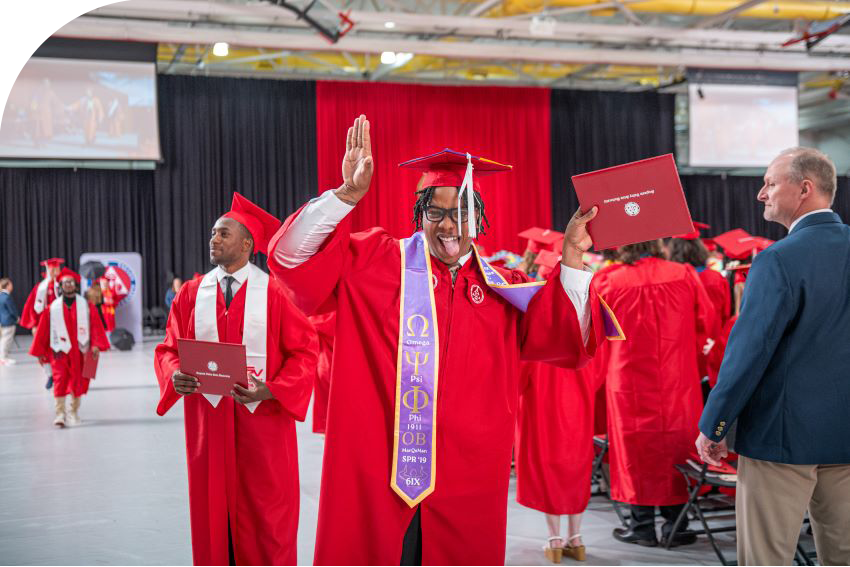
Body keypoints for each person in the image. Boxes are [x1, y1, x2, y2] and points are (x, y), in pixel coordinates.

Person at [268, 115, 616, 565]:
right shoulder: (373, 262)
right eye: (436, 211)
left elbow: (565, 336)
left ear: (480, 217)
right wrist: (345, 196)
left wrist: (570, 255)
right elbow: (290, 260)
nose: (449, 226)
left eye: (462, 212)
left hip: (467, 477)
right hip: (376, 471)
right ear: (420, 214)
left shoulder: (504, 289)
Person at [696, 147, 850, 566]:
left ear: (804, 189)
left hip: (781, 438)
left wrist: (715, 424)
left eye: (769, 183)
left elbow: (748, 354)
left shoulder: (778, 260)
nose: (761, 193)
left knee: (766, 558)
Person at [153, 193, 318, 566]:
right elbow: (168, 349)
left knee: (267, 521)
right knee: (214, 519)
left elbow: (305, 354)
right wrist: (173, 374)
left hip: (262, 431)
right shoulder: (192, 295)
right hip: (209, 428)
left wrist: (272, 388)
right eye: (213, 233)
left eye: (223, 233)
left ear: (247, 244)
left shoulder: (276, 293)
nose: (214, 239)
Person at [592, 240, 715, 547]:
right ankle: (678, 524)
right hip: (677, 380)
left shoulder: (607, 281)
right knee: (676, 446)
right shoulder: (684, 273)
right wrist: (689, 360)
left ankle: (642, 525)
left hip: (627, 382)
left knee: (635, 449)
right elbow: (706, 325)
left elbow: (592, 334)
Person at [513, 250, 601, 563]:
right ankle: (576, 537)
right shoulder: (591, 317)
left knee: (547, 465)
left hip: (541, 407)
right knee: (576, 465)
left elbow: (520, 374)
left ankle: (553, 539)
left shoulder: (535, 319)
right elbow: (600, 369)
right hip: (578, 406)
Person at [29, 268, 109, 427]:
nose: (69, 285)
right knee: (59, 380)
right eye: (65, 283)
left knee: (77, 381)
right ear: (61, 286)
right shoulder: (52, 308)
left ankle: (73, 412)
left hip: (80, 351)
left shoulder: (86, 306)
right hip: (59, 351)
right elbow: (44, 331)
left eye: (71, 283)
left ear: (76, 286)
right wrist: (40, 351)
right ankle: (60, 414)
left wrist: (95, 345)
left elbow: (95, 327)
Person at [20, 258, 65, 389]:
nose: (55, 271)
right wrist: (34, 325)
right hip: (44, 326)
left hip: (61, 325)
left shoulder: (64, 285)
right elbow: (31, 307)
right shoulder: (40, 289)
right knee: (43, 352)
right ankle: (50, 374)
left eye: (57, 269)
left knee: (61, 351)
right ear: (47, 270)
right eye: (52, 269)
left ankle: (60, 375)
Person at [0, 278, 20, 365]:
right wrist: (17, 318)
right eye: (11, 284)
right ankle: (3, 358)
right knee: (6, 341)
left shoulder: (1, 296)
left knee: (4, 340)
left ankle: (3, 357)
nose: (12, 286)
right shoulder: (6, 297)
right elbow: (12, 310)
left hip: (2, 322)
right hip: (8, 322)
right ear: (7, 285)